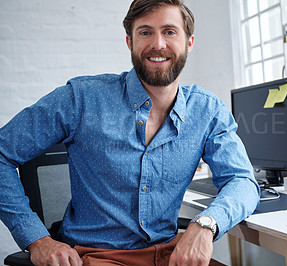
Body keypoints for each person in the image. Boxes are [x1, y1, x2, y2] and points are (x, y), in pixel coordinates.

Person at [0, 0, 260, 265]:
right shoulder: (81, 98)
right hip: (95, 256)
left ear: (189, 42)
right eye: (145, 32)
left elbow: (243, 181)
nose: (158, 44)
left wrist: (206, 224)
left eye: (169, 31)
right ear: (130, 42)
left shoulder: (208, 110)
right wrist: (36, 239)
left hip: (169, 254)